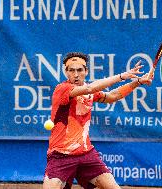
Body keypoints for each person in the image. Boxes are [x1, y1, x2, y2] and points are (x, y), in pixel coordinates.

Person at [43, 52, 152, 189]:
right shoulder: (62, 89)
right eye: (71, 70)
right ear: (66, 72)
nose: (76, 74)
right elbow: (90, 88)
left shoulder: (89, 93)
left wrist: (138, 82)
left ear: (86, 71)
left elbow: (112, 96)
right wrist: (122, 76)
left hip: (86, 154)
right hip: (60, 155)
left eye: (80, 70)